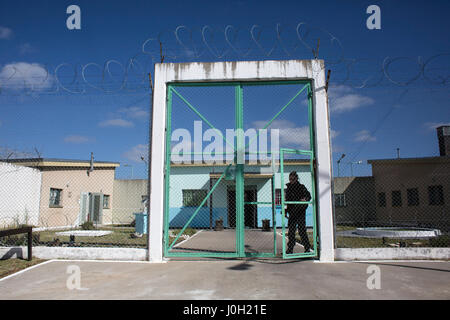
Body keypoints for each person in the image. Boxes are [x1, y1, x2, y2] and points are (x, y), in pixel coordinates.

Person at [284, 171, 312, 254]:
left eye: (293, 179)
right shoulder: (288, 188)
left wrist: (305, 199)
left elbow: (308, 195)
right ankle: (290, 250)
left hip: (300, 212)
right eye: (290, 179)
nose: (291, 180)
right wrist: (286, 211)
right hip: (292, 212)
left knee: (302, 230)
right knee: (291, 231)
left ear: (296, 179)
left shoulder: (301, 187)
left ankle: (307, 249)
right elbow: (287, 201)